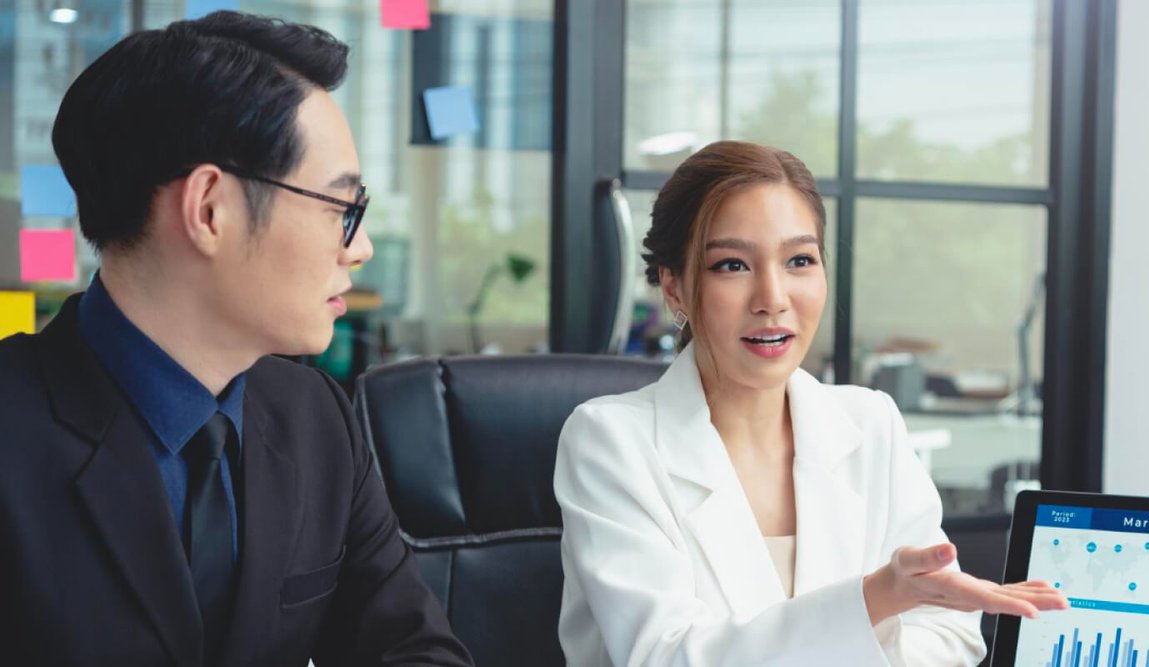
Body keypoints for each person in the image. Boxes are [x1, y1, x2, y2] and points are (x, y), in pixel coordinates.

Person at [0, 12, 472, 666]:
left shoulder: (315, 416)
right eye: (341, 208)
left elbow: (419, 651)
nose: (360, 247)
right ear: (209, 210)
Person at [553, 141, 1066, 665]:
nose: (773, 298)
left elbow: (950, 631)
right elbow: (663, 657)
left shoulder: (870, 423)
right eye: (732, 265)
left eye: (799, 260)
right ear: (674, 287)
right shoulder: (610, 442)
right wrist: (874, 601)